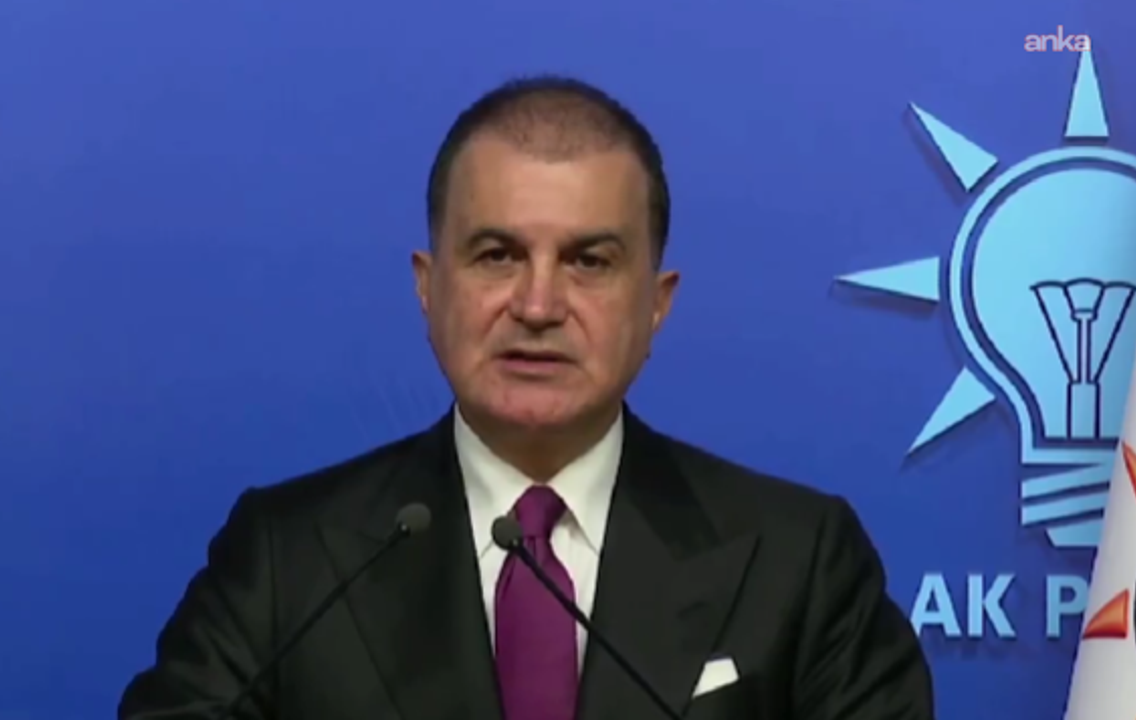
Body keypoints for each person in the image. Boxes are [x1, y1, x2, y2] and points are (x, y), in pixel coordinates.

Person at [118, 75, 934, 720]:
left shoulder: (798, 563)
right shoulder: (286, 561)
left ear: (657, 304)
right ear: (429, 289)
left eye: (589, 262)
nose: (538, 306)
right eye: (497, 255)